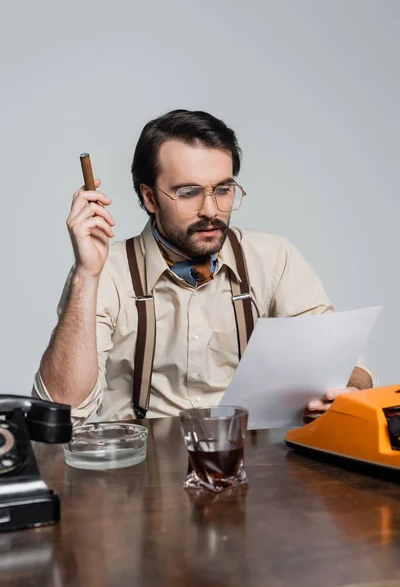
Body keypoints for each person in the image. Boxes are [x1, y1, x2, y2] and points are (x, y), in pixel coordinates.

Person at [33, 109, 373, 425]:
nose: (211, 209)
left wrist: (348, 391)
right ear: (149, 197)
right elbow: (64, 410)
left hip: (250, 465)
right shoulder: (106, 271)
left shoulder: (274, 257)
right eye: (189, 192)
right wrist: (87, 274)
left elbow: (346, 366)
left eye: (223, 189)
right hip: (137, 475)